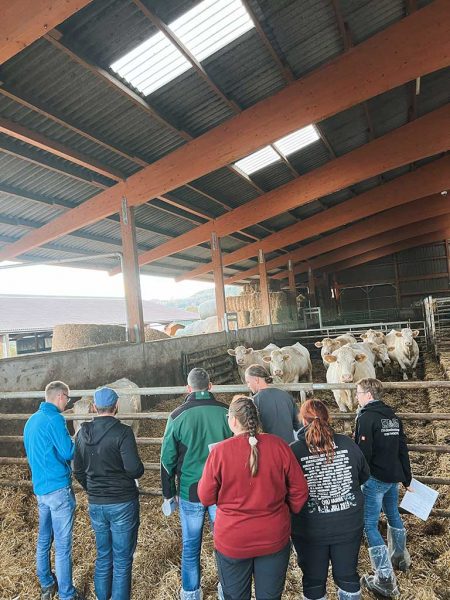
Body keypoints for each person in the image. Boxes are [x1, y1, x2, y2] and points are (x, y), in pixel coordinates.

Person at [198, 395, 309, 600]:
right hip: (273, 536)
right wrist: (285, 512)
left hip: (233, 539)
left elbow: (205, 497)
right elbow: (300, 490)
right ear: (256, 419)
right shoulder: (279, 446)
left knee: (235, 595)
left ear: (232, 420)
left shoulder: (219, 452)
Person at [160, 368, 232, 600]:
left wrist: (168, 494)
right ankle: (226, 591)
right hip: (221, 490)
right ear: (210, 386)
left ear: (188, 388)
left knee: (191, 545)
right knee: (224, 543)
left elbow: (167, 460)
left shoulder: (177, 416)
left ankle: (191, 593)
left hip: (191, 490)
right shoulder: (226, 412)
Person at [290, 399, 370, 600]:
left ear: (303, 419)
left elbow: (287, 488)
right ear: (328, 418)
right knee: (348, 576)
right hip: (348, 523)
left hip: (309, 527)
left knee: (313, 580)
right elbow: (364, 475)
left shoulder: (294, 451)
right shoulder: (347, 443)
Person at [73, 387, 144, 600]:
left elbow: (77, 470)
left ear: (94, 407)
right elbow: (134, 469)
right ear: (116, 407)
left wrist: (92, 488)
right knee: (122, 559)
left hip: (96, 503)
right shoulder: (123, 432)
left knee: (104, 556)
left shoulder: (82, 433)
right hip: (122, 501)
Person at [23, 380, 84, 600]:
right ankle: (67, 593)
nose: (67, 403)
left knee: (43, 538)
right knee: (62, 545)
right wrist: (80, 437)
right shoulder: (55, 419)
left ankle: (47, 583)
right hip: (58, 489)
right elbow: (68, 452)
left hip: (40, 489)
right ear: (60, 397)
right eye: (67, 399)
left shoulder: (31, 421)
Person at [355, 378, 413, 598]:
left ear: (368, 394)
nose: (357, 397)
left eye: (358, 393)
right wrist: (407, 478)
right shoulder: (392, 416)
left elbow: (363, 454)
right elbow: (402, 448)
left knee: (368, 525)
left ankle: (385, 577)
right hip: (393, 477)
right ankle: (400, 558)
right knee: (393, 515)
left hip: (375, 478)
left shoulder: (366, 417)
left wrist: (360, 479)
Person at [245, 363, 300, 443]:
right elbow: (299, 424)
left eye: (248, 382)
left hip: (268, 447)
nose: (248, 385)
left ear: (256, 380)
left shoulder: (253, 401)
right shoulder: (285, 395)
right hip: (289, 448)